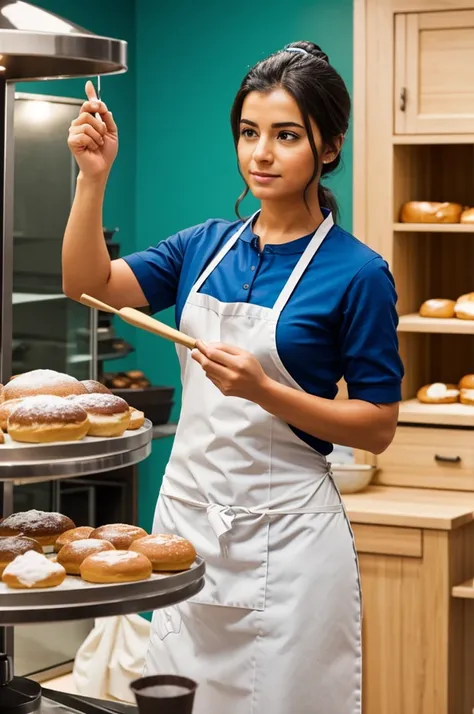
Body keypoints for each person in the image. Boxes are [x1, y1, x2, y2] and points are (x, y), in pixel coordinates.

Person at [63, 40, 403, 714]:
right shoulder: (204, 245)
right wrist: (92, 178)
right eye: (249, 133)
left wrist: (263, 389)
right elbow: (87, 284)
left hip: (292, 544)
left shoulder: (358, 273)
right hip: (186, 527)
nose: (261, 154)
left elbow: (378, 425)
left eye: (285, 135)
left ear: (329, 147)